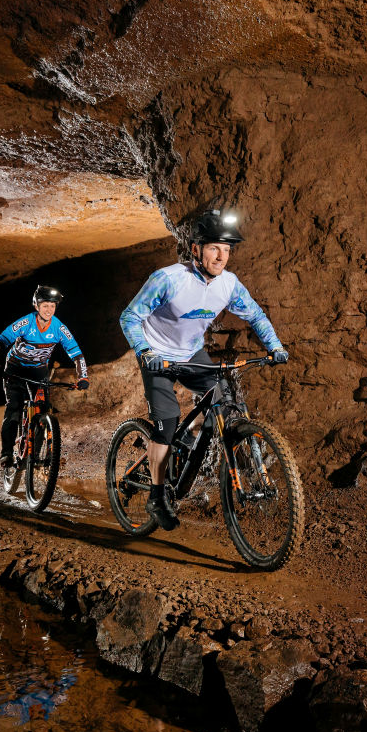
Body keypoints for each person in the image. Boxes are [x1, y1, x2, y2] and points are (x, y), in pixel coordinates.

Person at [119, 209, 288, 531]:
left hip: (193, 354)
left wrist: (275, 347)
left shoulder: (229, 284)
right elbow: (129, 317)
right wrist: (145, 351)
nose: (221, 256)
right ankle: (156, 495)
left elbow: (256, 316)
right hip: (159, 356)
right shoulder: (168, 279)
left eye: (227, 250)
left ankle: (191, 451)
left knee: (221, 402)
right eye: (214, 248)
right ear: (195, 249)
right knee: (166, 422)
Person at [0, 285, 89, 468]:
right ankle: (6, 454)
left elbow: (77, 354)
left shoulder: (59, 327)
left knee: (42, 411)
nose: (49, 310)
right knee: (13, 410)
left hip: (38, 370)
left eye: (52, 306)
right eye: (45, 306)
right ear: (36, 306)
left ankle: (33, 456)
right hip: (15, 368)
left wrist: (83, 377)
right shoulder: (26, 323)